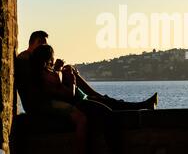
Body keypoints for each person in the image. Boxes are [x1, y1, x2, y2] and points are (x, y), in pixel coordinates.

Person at [16, 30, 158, 113]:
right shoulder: (27, 59)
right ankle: (141, 106)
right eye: (44, 44)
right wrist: (62, 71)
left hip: (61, 96)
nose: (45, 48)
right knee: (103, 103)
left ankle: (140, 105)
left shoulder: (35, 59)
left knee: (103, 100)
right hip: (57, 100)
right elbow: (47, 82)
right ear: (37, 42)